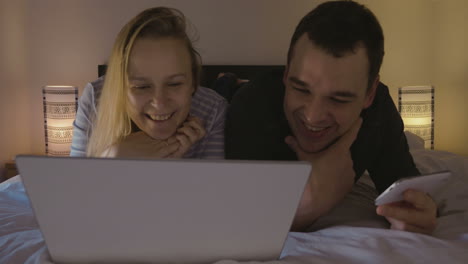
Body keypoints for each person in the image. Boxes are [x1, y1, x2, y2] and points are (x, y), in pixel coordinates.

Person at [225, 1, 437, 234]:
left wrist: (418, 212)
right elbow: (243, 224)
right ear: (287, 74)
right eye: (301, 89)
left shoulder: (379, 109)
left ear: (369, 94)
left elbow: (404, 188)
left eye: (339, 99)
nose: (312, 116)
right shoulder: (252, 104)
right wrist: (313, 205)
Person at [70, 7, 227, 159]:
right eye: (142, 87)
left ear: (193, 82)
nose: (159, 103)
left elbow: (217, 186)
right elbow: (74, 183)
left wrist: (170, 166)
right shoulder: (94, 98)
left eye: (174, 84)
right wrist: (112, 156)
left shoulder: (212, 110)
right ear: (119, 88)